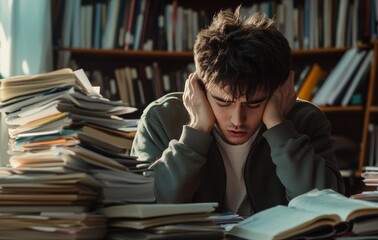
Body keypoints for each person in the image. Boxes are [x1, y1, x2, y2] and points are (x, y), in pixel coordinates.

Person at [131, 7, 345, 216]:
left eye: (254, 103)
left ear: (279, 90)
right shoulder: (160, 119)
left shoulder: (306, 121)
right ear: (200, 87)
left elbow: (329, 209)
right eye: (223, 102)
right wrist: (196, 131)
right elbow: (148, 209)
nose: (238, 119)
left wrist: (279, 128)